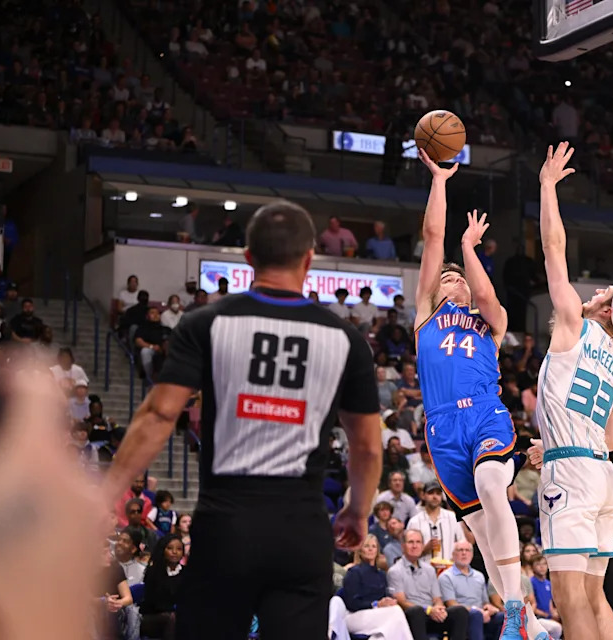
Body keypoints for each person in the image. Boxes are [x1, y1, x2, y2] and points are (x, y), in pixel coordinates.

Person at [103, 200, 383, 640]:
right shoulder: (346, 339)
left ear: (248, 257)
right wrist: (357, 510)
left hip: (225, 525)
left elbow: (159, 414)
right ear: (309, 258)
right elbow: (366, 446)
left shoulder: (206, 323)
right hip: (301, 528)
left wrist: (107, 489)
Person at [523, 142, 613, 640]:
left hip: (572, 475)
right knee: (598, 597)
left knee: (569, 596)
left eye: (603, 292)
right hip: (603, 474)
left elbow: (554, 249)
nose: (594, 291)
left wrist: (548, 187)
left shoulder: (574, 321)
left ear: (605, 307)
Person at [412, 147, 532, 640]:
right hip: (442, 427)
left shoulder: (491, 322)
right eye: (446, 277)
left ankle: (517, 606)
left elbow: (484, 293)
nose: (452, 278)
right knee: (480, 530)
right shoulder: (425, 316)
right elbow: (431, 237)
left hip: (485, 414)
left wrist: (470, 250)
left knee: (490, 485)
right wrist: (439, 181)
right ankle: (525, 621)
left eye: (457, 276)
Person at [387, 529, 470, 640]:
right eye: (411, 542)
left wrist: (439, 608)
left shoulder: (429, 569)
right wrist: (428, 610)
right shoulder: (395, 571)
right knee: (417, 612)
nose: (415, 546)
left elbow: (437, 598)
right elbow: (401, 602)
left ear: (422, 545)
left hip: (432, 615)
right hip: (412, 617)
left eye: (418, 542)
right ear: (403, 546)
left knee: (460, 611)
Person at [340, 534, 414, 640]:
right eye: (367, 546)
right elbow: (352, 603)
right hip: (354, 616)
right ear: (360, 550)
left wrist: (388, 601)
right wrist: (375, 604)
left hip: (377, 615)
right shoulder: (354, 572)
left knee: (383, 635)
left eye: (373, 546)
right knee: (395, 612)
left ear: (377, 551)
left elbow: (384, 596)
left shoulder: (381, 575)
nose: (370, 549)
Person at [439, 540, 505, 640]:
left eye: (468, 550)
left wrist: (488, 608)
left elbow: (485, 602)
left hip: (481, 614)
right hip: (461, 617)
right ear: (453, 554)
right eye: (460, 550)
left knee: (503, 617)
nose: (464, 553)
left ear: (472, 554)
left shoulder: (479, 576)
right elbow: (451, 604)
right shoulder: (446, 577)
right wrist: (477, 611)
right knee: (476, 615)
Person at [406, 480, 465, 562]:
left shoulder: (452, 517)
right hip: (424, 571)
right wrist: (424, 550)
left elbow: (462, 544)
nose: (435, 496)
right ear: (423, 495)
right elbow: (408, 553)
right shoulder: (414, 522)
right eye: (431, 493)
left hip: (449, 570)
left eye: (438, 493)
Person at [140, 535, 185, 640]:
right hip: (152, 617)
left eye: (179, 549)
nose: (174, 552)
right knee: (172, 618)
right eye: (170, 548)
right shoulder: (153, 572)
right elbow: (153, 603)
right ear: (162, 550)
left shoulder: (187, 573)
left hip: (179, 617)